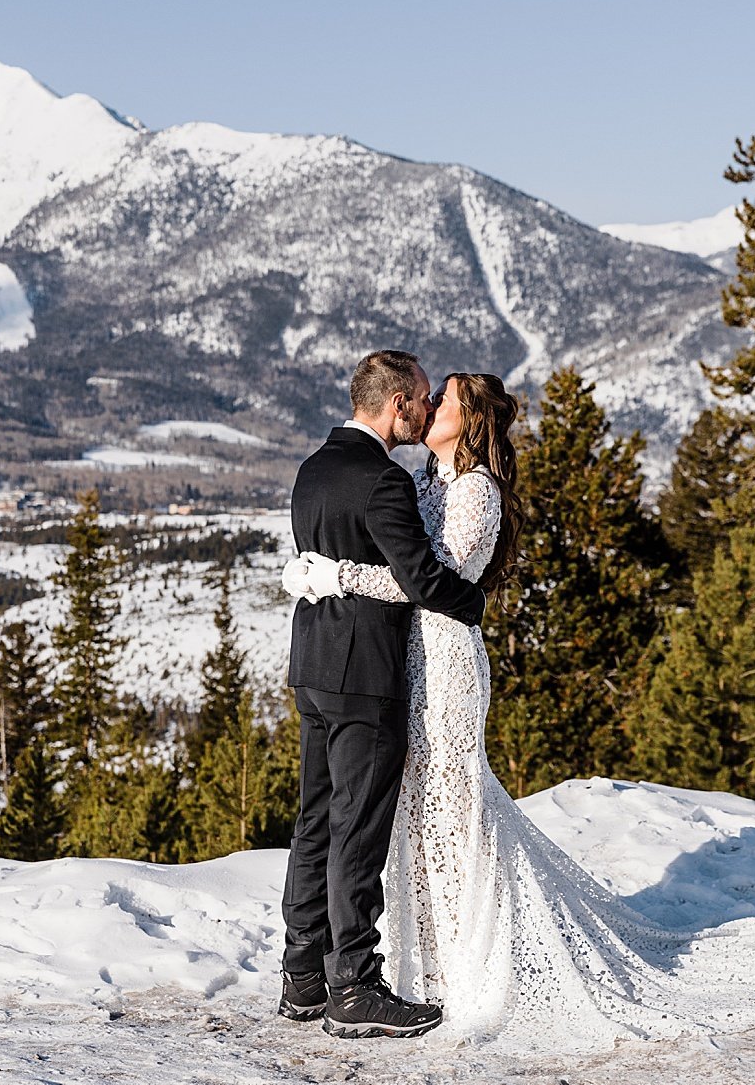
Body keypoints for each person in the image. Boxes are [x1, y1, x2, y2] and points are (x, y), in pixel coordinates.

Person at [284, 371, 755, 1049]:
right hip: (401, 659)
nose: (433, 405)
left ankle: (469, 963)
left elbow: (432, 584)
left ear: (473, 420)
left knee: (452, 803)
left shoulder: (474, 491)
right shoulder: (425, 483)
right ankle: (426, 959)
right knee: (412, 812)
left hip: (445, 662)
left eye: (447, 399)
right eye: (430, 396)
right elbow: (412, 570)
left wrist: (333, 574)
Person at [277, 349, 486, 1039]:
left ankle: (302, 974)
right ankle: (355, 986)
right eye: (422, 399)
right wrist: (477, 600)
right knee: (357, 830)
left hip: (310, 666)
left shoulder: (313, 469)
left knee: (313, 821)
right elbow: (425, 579)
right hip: (365, 674)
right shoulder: (382, 481)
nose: (426, 411)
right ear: (396, 404)